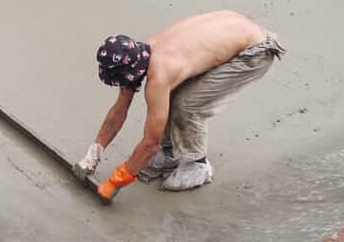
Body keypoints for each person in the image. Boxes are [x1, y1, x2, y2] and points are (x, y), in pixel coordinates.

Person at [73, 11, 284, 204]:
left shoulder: (160, 74)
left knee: (187, 105)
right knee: (168, 97)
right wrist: (93, 154)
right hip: (236, 29)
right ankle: (171, 152)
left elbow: (150, 144)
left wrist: (118, 180)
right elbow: (119, 110)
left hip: (255, 51)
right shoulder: (138, 54)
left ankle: (197, 165)